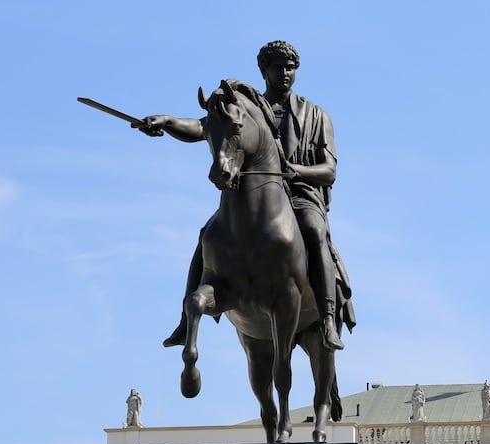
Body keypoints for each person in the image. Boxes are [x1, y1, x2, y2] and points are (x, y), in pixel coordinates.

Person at [141, 40, 351, 352]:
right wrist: (165, 121)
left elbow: (329, 171)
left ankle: (327, 318)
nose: (284, 73)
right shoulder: (246, 111)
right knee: (207, 236)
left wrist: (297, 171)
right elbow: (201, 128)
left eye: (290, 67)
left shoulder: (317, 116)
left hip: (301, 196)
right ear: (263, 71)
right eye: (277, 67)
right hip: (253, 199)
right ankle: (186, 321)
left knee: (315, 232)